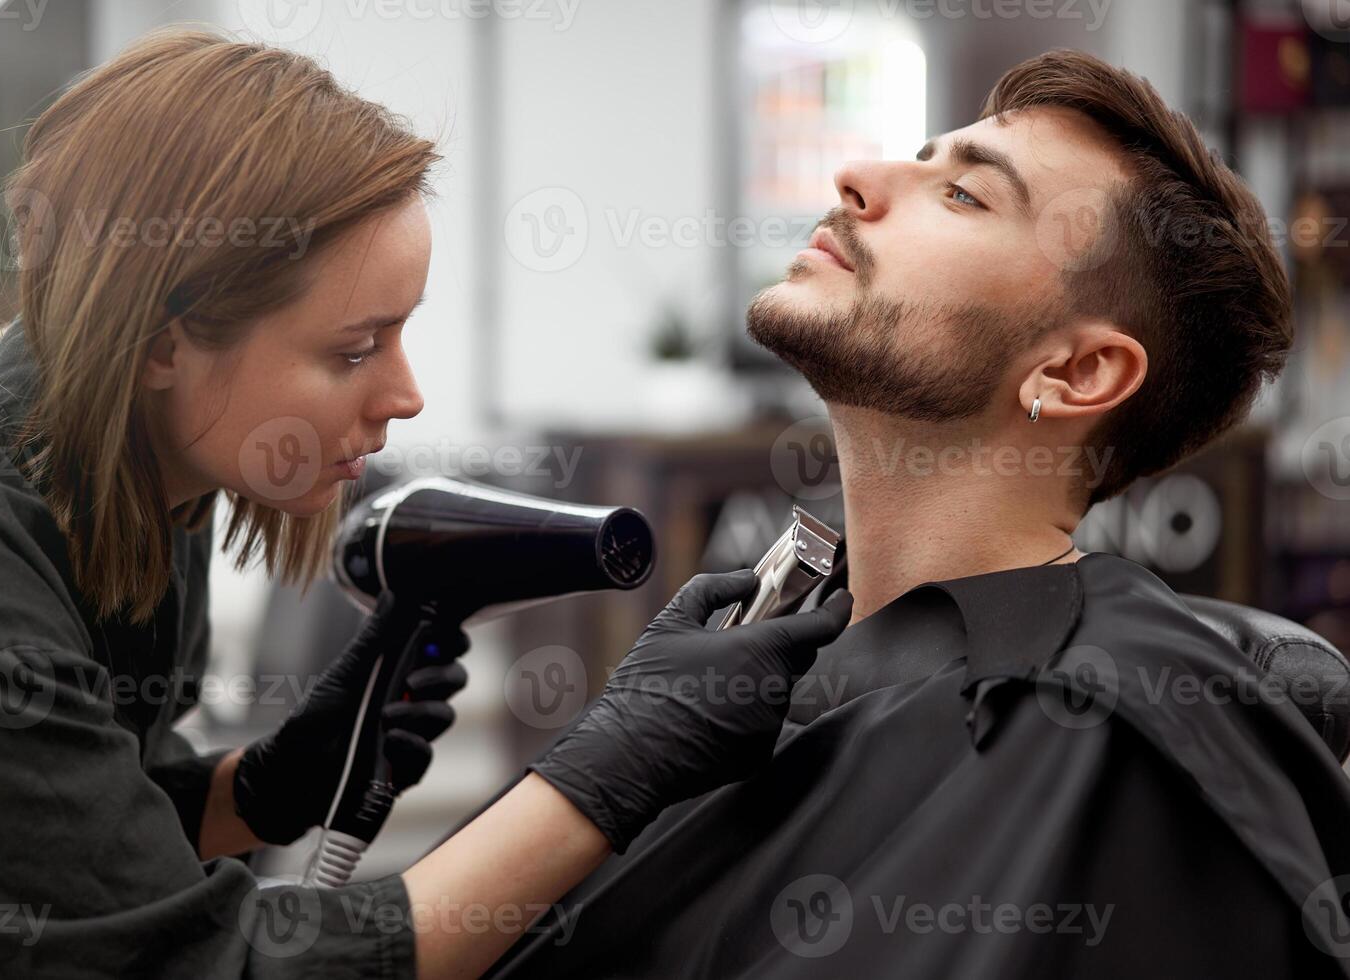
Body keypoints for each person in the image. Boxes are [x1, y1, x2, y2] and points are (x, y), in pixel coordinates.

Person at [0, 28, 852, 979]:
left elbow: (72, 845)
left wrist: (261, 786)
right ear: (162, 342)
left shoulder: (143, 473)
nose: (405, 394)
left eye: (400, 334)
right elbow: (205, 963)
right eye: (352, 349)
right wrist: (606, 771)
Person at [479, 51, 1350, 978]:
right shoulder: (744, 671)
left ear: (1076, 372)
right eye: (921, 158)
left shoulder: (1115, 742)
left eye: (965, 196)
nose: (856, 178)